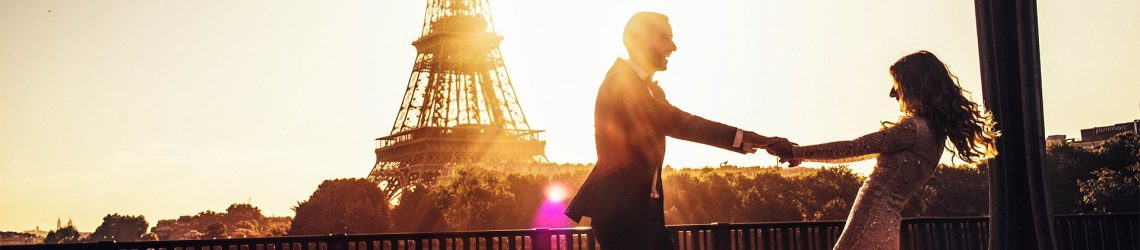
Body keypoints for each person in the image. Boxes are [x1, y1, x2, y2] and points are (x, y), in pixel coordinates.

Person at [564, 12, 789, 250]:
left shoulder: (648, 90)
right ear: (638, 39)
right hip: (622, 216)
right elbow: (681, 124)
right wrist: (761, 141)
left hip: (643, 214)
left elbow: (678, 123)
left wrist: (760, 142)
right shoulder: (620, 84)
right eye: (665, 38)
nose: (674, 47)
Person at [765, 50, 999, 250]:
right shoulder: (935, 134)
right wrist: (801, 154)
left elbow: (853, 148)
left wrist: (795, 152)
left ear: (915, 86)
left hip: (869, 222)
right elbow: (860, 152)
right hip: (886, 226)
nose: (892, 93)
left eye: (897, 85)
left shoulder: (913, 129)